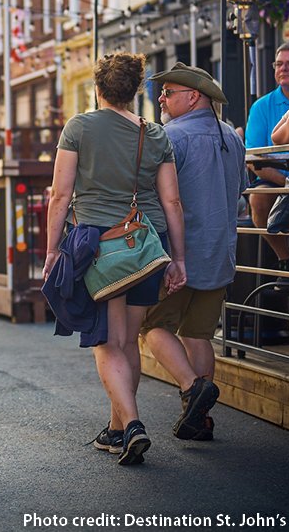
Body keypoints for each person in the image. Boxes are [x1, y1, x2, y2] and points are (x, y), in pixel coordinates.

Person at [42, 53, 188, 466]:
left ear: (98, 88)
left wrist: (53, 250)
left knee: (107, 341)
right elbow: (172, 200)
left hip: (99, 245)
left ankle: (135, 425)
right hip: (146, 244)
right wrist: (178, 258)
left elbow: (60, 196)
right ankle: (118, 428)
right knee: (128, 340)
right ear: (136, 90)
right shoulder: (155, 134)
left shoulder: (79, 128)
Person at [140, 63, 246, 444]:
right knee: (199, 335)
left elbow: (156, 196)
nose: (161, 99)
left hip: (178, 252)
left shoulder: (169, 136)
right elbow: (240, 191)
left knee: (152, 326)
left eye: (168, 92)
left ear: (194, 96)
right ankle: (199, 421)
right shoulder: (232, 138)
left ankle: (191, 389)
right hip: (220, 252)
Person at [247, 42, 289, 273]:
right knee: (258, 198)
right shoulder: (261, 107)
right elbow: (253, 158)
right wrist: (287, 183)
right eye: (279, 64)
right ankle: (287, 259)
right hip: (277, 180)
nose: (283, 69)